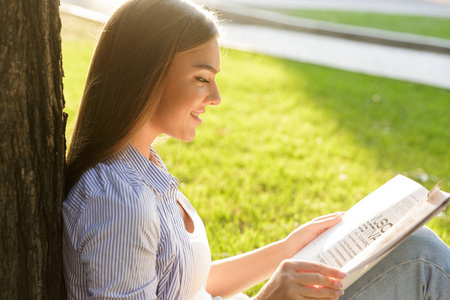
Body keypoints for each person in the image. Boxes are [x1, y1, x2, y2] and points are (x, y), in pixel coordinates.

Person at [62, 0, 450, 299]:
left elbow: (195, 282)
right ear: (146, 75)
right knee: (423, 262)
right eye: (202, 78)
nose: (215, 97)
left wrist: (287, 249)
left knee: (416, 247)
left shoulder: (141, 169)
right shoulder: (117, 201)